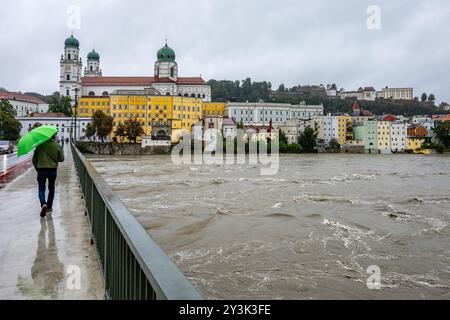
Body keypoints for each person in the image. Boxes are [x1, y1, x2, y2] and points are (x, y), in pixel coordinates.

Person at [32, 133, 64, 217]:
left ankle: (43, 204)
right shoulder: (57, 145)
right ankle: (49, 207)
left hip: (41, 170)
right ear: (54, 137)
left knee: (41, 189)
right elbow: (61, 159)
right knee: (51, 188)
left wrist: (37, 168)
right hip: (52, 170)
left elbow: (34, 160)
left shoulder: (39, 145)